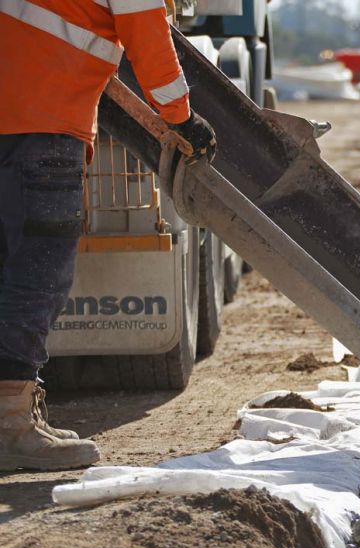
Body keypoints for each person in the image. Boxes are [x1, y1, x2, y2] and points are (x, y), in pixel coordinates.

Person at [0, 0, 217, 471]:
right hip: (44, 118)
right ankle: (11, 425)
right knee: (35, 274)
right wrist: (180, 118)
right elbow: (147, 34)